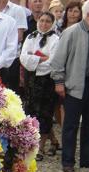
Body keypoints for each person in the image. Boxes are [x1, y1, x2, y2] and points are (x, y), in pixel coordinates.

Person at [51, 0, 89, 172]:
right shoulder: (71, 32)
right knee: (70, 125)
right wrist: (59, 82)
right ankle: (68, 161)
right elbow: (58, 60)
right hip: (75, 86)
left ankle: (88, 158)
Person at [20, 12, 60, 161]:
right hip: (31, 80)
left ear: (52, 23)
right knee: (30, 112)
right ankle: (35, 144)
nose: (44, 24)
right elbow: (23, 57)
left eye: (48, 21)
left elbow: (53, 61)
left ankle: (40, 147)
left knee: (45, 113)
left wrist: (34, 59)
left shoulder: (56, 39)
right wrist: (42, 58)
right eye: (42, 20)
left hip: (47, 81)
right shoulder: (31, 37)